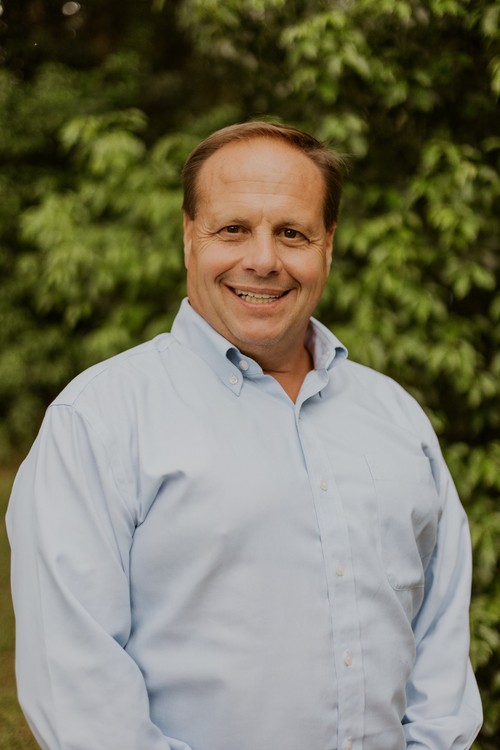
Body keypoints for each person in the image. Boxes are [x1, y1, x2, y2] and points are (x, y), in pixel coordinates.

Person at [7, 121, 482, 750]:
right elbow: (79, 692)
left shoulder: (396, 417)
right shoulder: (98, 421)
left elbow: (440, 644)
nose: (263, 260)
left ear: (328, 246)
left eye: (292, 233)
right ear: (188, 237)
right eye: (232, 229)